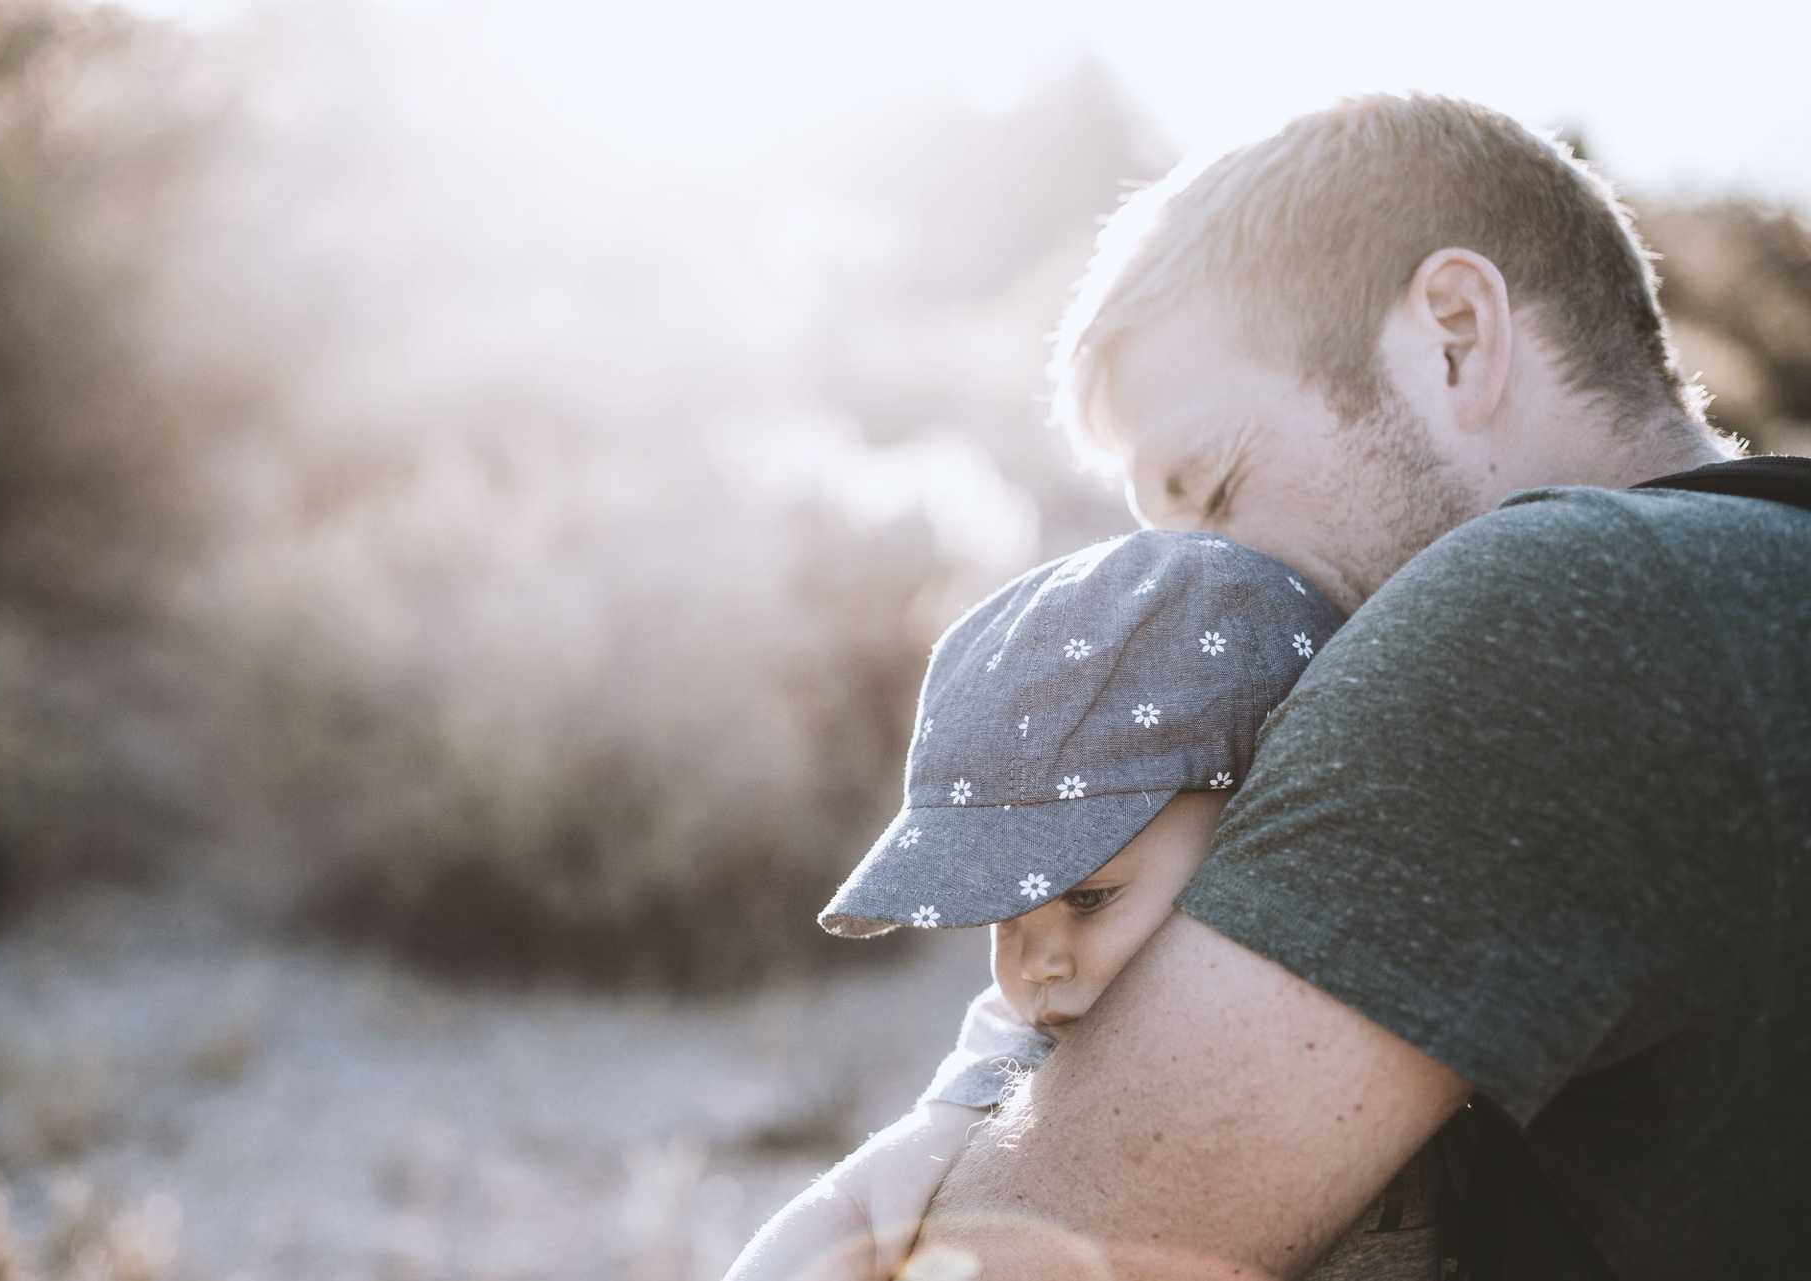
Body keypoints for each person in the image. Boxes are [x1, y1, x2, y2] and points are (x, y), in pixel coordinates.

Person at [904, 93, 1811, 1279]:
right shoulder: (1759, 578)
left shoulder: (1542, 609)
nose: (1191, 589)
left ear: (1452, 333)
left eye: (1216, 490)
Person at [724, 530, 1452, 1281]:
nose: (1036, 964)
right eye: (1005, 915)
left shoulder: (1390, 959)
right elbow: (857, 1204)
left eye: (1089, 897)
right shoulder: (1034, 1043)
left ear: (1257, 825)